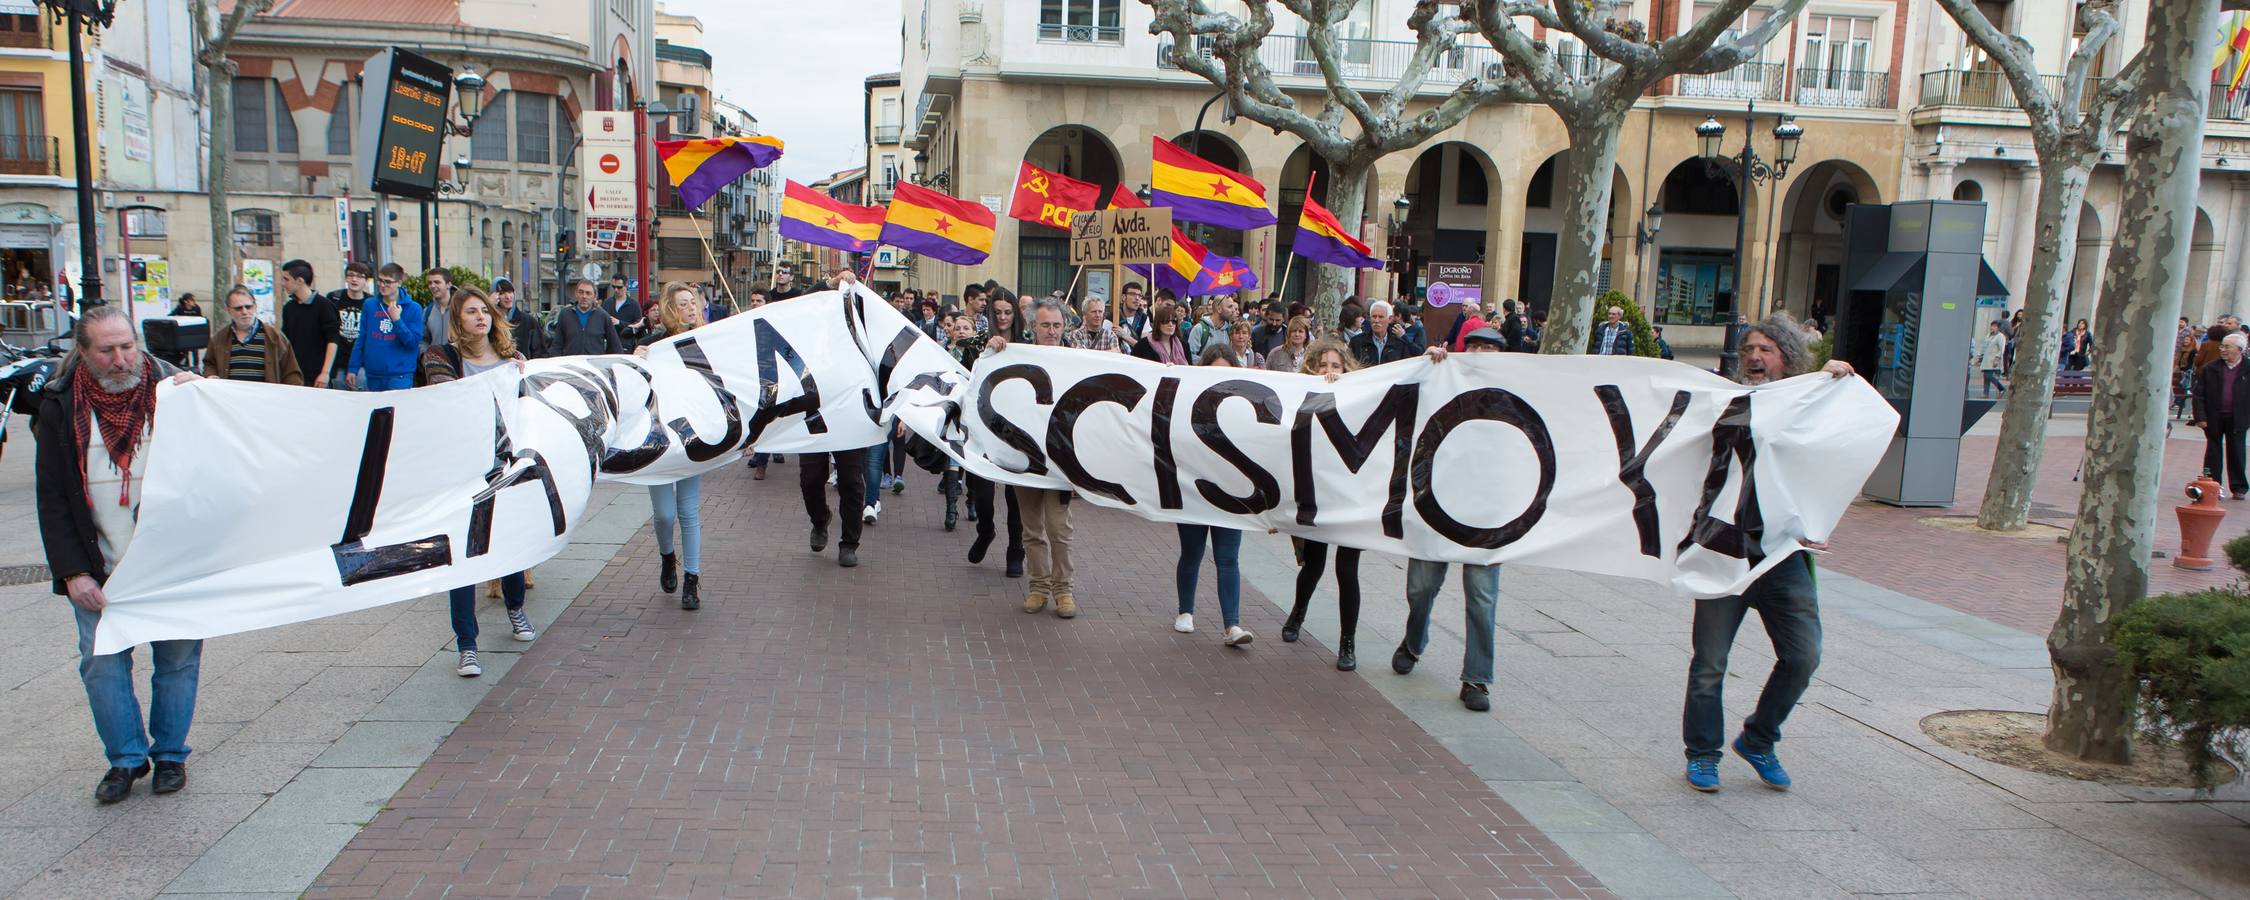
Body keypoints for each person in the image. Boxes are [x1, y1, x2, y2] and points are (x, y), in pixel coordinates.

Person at [33, 305, 204, 803]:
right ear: (82, 353)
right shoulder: (60, 405)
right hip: (100, 566)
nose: (121, 358)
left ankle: (171, 753)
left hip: (172, 564)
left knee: (177, 661)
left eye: (127, 346)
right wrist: (72, 573)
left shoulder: (177, 393)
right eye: (106, 350)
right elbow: (53, 498)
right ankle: (127, 758)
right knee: (102, 665)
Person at [1682, 312, 1855, 792]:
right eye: (1750, 350)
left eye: (1767, 350)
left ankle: (1758, 739)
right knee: (1709, 664)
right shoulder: (1726, 400)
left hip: (1782, 555)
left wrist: (1833, 383)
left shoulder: (1809, 404)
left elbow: (1840, 449)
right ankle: (1702, 754)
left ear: (1787, 358)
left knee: (1803, 656)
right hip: (1724, 550)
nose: (1755, 358)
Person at [1392, 328, 1514, 710]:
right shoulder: (1445, 378)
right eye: (1473, 346)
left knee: (1481, 596)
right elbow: (1405, 397)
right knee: (1421, 587)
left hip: (1488, 512)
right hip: (1439, 502)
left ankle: (1476, 679)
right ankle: (1413, 641)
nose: (1479, 354)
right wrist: (1427, 365)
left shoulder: (1518, 391)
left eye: (1488, 348)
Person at [421, 287, 536, 674]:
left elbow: (526, 407)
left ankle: (516, 608)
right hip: (460, 471)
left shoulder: (510, 361)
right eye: (471, 312)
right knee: (463, 557)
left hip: (502, 468)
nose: (480, 317)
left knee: (510, 546)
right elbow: (446, 396)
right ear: (458, 321)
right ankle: (466, 644)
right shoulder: (441, 358)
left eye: (484, 311)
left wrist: (520, 373)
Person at [1283, 338, 1364, 669]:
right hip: (1319, 496)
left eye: (1336, 365)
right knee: (1313, 565)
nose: (1329, 371)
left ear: (1346, 368)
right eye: (1323, 365)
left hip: (1351, 499)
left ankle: (1348, 642)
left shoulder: (1362, 397)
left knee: (1347, 571)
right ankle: (1297, 613)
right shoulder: (1302, 398)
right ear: (1311, 368)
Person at [634, 283, 715, 609]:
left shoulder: (708, 341)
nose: (690, 309)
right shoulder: (653, 344)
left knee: (688, 511)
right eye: (682, 304)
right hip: (660, 440)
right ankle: (668, 557)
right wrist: (637, 360)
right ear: (670, 309)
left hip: (692, 437)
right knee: (665, 514)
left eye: (692, 303)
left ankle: (692, 580)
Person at [1172, 341, 1256, 646]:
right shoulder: (1187, 404)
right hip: (1195, 491)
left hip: (1232, 494)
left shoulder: (1246, 408)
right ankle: (1185, 611)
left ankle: (1232, 625)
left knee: (1228, 558)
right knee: (1192, 553)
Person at [998, 299, 1078, 617]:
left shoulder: (1076, 361)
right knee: (1030, 529)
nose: (1052, 331)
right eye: (1045, 325)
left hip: (1058, 460)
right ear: (1034, 327)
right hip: (1026, 457)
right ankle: (1038, 587)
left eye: (1057, 325)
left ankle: (1064, 590)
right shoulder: (1019, 356)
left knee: (1059, 529)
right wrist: (995, 347)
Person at [344, 264, 425, 391]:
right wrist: (353, 368)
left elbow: (412, 343)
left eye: (387, 282)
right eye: (380, 280)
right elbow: (362, 338)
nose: (382, 285)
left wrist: (397, 320)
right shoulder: (370, 305)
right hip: (373, 374)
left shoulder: (413, 308)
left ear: (399, 283)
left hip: (399, 374)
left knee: (395, 409)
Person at [204, 285, 305, 384]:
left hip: (265, 398)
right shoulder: (219, 339)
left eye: (248, 307)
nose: (245, 312)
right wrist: (210, 375)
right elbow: (209, 364)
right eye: (238, 308)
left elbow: (292, 374)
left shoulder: (275, 337)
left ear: (255, 306)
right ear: (228, 310)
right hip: (231, 398)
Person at [2193, 332, 2250, 500]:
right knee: (2213, 451)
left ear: (2239, 349)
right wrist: (2200, 416)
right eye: (2222, 346)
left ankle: (2239, 487)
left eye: (2227, 347)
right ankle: (2212, 485)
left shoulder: (2248, 368)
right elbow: (2199, 394)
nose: (2223, 350)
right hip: (2214, 417)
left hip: (2238, 418)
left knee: (2237, 451)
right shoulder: (2211, 368)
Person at [277, 259, 341, 387]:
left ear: (300, 281)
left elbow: (333, 340)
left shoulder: (324, 306)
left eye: (286, 279)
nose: (283, 284)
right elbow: (286, 342)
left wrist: (325, 372)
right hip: (295, 375)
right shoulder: (289, 308)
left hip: (318, 376)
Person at [326, 261, 373, 388]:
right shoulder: (334, 298)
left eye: (359, 276)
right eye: (351, 275)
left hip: (362, 362)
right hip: (338, 359)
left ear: (366, 280)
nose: (354, 279)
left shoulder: (371, 303)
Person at [553, 278, 626, 356]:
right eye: (581, 292)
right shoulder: (565, 314)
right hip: (571, 364)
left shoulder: (603, 316)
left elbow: (615, 347)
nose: (584, 296)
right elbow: (557, 345)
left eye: (588, 293)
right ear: (576, 294)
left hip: (594, 365)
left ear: (594, 296)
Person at [491, 279, 547, 360]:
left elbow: (541, 353)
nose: (508, 297)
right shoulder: (489, 323)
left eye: (510, 292)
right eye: (502, 293)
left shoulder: (528, 321)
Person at [1349, 300, 1418, 366]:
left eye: (1381, 317)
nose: (1376, 320)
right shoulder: (1356, 342)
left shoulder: (1400, 344)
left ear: (1390, 319)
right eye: (1374, 316)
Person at [421, 268, 454, 348]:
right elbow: (423, 340)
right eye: (430, 283)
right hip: (433, 359)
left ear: (448, 284)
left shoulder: (461, 309)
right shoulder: (427, 311)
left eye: (437, 282)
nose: (432, 286)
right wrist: (424, 355)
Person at [1974, 320, 2008, 397]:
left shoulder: (2000, 336)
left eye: (1995, 326)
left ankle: (2001, 388)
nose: (1992, 328)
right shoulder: (1988, 335)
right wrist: (1978, 356)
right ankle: (1985, 393)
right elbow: (1983, 346)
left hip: (1993, 359)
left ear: (1998, 328)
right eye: (1992, 326)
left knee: (1988, 375)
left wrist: (1997, 358)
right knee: (1986, 376)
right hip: (1986, 359)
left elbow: (2001, 349)